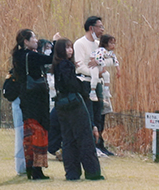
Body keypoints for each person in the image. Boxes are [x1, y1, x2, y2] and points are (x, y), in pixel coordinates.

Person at [52, 39, 104, 181]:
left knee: (68, 139)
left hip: (61, 104)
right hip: (74, 103)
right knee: (84, 137)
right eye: (67, 47)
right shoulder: (66, 65)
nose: (70, 50)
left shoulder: (56, 65)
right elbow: (72, 85)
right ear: (61, 50)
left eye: (70, 47)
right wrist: (82, 87)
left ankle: (72, 173)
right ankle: (92, 172)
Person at [12, 28, 55, 180]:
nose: (36, 40)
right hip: (37, 98)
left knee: (29, 134)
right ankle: (37, 170)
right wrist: (54, 43)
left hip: (26, 98)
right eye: (34, 38)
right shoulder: (32, 56)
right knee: (39, 132)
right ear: (26, 41)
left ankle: (30, 168)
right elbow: (50, 59)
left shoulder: (17, 55)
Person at [73, 16, 103, 150]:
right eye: (99, 27)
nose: (102, 30)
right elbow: (79, 67)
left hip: (98, 82)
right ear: (92, 28)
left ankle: (100, 144)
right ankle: (90, 145)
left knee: (99, 113)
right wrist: (94, 72)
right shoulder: (80, 44)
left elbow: (102, 63)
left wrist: (100, 69)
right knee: (89, 114)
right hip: (85, 82)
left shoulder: (97, 45)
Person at [92, 34, 119, 156]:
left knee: (102, 118)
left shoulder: (109, 55)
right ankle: (96, 145)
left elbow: (113, 61)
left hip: (103, 90)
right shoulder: (99, 52)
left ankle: (100, 144)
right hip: (97, 89)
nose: (113, 46)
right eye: (111, 43)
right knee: (97, 119)